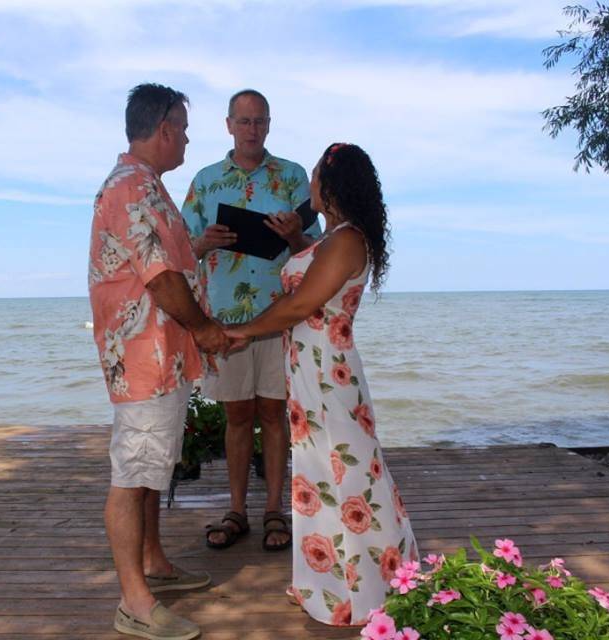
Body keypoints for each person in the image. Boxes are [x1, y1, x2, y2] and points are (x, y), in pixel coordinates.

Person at [225, 143, 419, 626]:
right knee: (322, 473)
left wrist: (241, 331)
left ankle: (368, 586)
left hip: (327, 373)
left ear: (330, 186)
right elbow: (312, 290)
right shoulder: (334, 239)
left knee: (349, 474)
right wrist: (295, 244)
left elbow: (299, 305)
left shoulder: (347, 239)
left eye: (313, 176)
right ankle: (331, 582)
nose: (308, 184)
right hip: (313, 368)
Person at [89, 83, 228, 640]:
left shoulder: (149, 187)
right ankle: (134, 604)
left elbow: (170, 262)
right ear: (165, 128)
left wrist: (199, 252)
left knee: (151, 468)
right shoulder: (131, 189)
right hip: (144, 357)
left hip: (161, 354)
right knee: (132, 474)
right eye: (185, 130)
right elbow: (161, 278)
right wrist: (206, 329)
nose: (189, 140)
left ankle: (154, 564)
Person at [181, 89, 322, 552]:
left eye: (260, 121)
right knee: (237, 415)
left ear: (269, 124)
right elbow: (180, 250)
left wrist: (294, 234)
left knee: (274, 414)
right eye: (244, 122)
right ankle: (237, 510)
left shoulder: (293, 176)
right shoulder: (205, 181)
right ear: (228, 125)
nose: (253, 129)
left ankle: (275, 510)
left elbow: (317, 252)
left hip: (282, 315)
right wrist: (205, 243)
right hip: (226, 320)